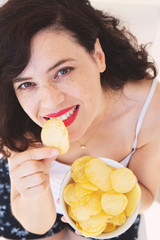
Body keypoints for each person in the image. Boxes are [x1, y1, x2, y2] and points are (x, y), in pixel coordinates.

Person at [0, 0, 160, 239]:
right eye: (27, 84)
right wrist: (35, 191)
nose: (51, 103)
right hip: (32, 202)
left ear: (98, 55)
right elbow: (37, 225)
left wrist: (104, 197)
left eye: (63, 71)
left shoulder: (149, 106)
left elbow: (145, 196)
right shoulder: (15, 118)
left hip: (105, 209)